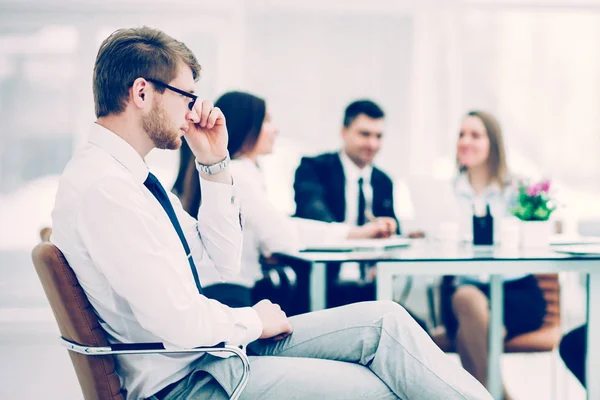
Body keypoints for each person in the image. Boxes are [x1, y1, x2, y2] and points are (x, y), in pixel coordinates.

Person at [51, 27, 492, 400]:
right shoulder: (106, 190)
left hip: (213, 353)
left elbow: (218, 262)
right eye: (187, 95)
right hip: (190, 378)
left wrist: (214, 164)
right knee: (379, 386)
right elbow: (177, 322)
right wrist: (252, 321)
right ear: (142, 92)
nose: (192, 109)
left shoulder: (129, 179)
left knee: (386, 320)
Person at [174, 91, 397, 312]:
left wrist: (354, 233)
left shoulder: (242, 172)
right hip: (231, 298)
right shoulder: (239, 174)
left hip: (231, 294)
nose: (276, 129)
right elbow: (284, 237)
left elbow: (279, 229)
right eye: (267, 121)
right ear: (247, 127)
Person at [431, 110, 547, 400]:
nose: (465, 141)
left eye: (475, 135)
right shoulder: (444, 192)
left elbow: (535, 239)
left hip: (515, 293)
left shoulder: (518, 190)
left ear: (492, 143)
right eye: (461, 134)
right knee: (467, 300)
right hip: (463, 292)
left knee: (468, 334)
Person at [293, 100, 405, 307]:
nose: (373, 144)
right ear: (344, 132)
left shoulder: (383, 181)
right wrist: (360, 233)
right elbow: (314, 214)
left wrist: (391, 231)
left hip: (370, 291)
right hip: (323, 288)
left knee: (416, 329)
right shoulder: (314, 169)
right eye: (365, 134)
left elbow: (392, 234)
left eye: (378, 136)